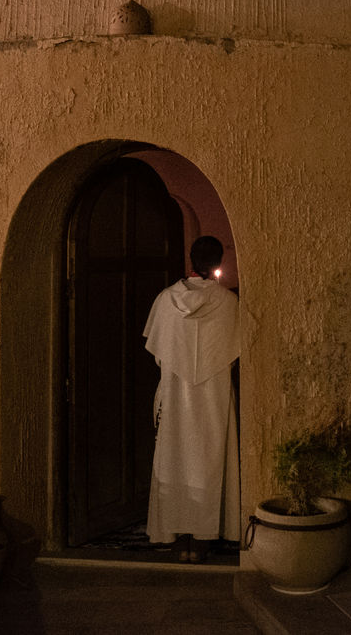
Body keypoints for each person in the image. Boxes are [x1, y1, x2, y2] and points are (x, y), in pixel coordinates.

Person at [144, 235, 241, 562]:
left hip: (175, 396)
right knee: (209, 460)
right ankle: (202, 539)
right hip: (213, 398)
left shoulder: (165, 301)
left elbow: (159, 355)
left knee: (174, 458)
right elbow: (237, 351)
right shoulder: (228, 303)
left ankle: (176, 536)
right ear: (218, 264)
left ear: (191, 261)